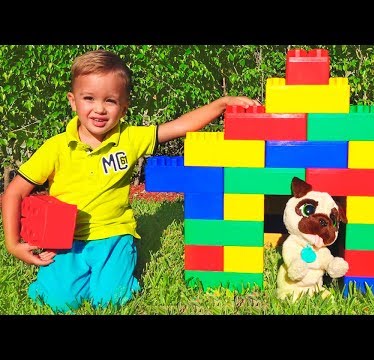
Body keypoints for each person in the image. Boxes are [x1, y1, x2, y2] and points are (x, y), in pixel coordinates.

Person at [1, 49, 260, 313]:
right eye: (88, 98)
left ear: (124, 107)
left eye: (110, 101)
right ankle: (71, 280)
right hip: (64, 241)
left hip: (114, 236)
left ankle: (115, 274)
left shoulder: (131, 138)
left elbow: (180, 126)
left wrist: (221, 103)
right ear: (73, 101)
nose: (99, 109)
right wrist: (13, 245)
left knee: (110, 302)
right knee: (58, 302)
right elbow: (14, 193)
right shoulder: (55, 148)